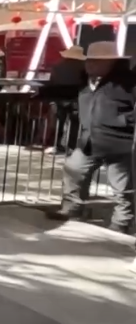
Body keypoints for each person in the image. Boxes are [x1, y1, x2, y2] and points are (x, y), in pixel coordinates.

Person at [45, 41, 134, 235]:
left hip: (119, 141)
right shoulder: (86, 82)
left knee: (122, 186)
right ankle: (72, 209)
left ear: (110, 62)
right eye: (88, 60)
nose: (89, 64)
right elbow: (70, 94)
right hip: (89, 140)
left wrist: (123, 121)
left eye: (95, 61)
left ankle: (121, 222)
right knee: (73, 170)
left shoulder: (127, 83)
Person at [35, 46, 88, 153]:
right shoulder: (83, 67)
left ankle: (55, 144)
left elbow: (52, 82)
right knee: (75, 123)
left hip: (58, 97)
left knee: (58, 122)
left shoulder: (57, 66)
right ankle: (72, 146)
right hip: (75, 98)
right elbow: (84, 84)